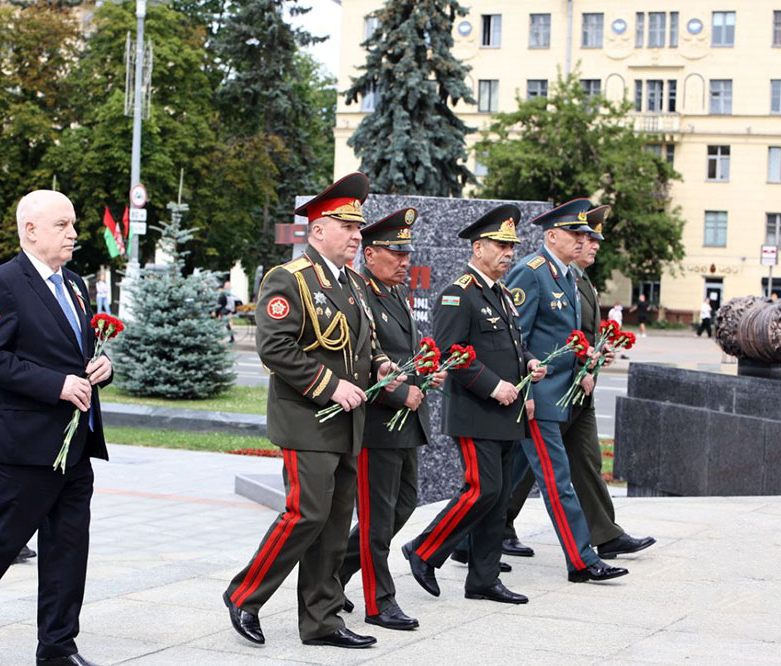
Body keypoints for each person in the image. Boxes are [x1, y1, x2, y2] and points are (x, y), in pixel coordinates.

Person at [223, 172, 402, 649]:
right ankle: (244, 594)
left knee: (333, 521)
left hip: (347, 423)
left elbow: (366, 345)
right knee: (306, 513)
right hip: (307, 419)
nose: (356, 235)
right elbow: (275, 348)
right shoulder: (289, 278)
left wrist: (385, 368)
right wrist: (331, 386)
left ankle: (321, 620)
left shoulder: (356, 285)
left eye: (358, 227)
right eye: (346, 226)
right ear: (318, 230)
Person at [0, 190, 113, 666]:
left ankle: (58, 648)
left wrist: (102, 367)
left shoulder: (77, 284)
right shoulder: (3, 282)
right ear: (30, 230)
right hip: (22, 447)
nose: (74, 233)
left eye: (74, 224)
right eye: (63, 225)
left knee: (67, 549)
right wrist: (56, 385)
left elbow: (76, 351)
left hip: (75, 445)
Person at [401, 204, 544, 605]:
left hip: (507, 412)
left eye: (511, 247)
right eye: (500, 245)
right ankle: (424, 550)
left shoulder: (500, 293)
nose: (508, 253)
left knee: (497, 501)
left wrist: (530, 361)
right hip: (476, 411)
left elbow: (512, 344)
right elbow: (451, 351)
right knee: (484, 489)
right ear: (478, 247)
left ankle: (484, 579)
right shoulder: (457, 293)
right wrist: (493, 385)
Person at [502, 208, 655, 563]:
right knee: (532, 475)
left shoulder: (572, 278)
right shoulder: (533, 272)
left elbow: (572, 336)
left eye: (587, 236)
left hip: (571, 389)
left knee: (576, 464)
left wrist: (591, 359)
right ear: (552, 236)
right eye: (578, 235)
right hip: (543, 393)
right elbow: (515, 336)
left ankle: (603, 536)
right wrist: (523, 390)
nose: (586, 242)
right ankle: (581, 557)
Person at [338, 207, 445, 630]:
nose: (405, 262)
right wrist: (401, 392)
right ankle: (379, 603)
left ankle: (333, 571)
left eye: (407, 254)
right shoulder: (360, 294)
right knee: (377, 518)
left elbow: (399, 358)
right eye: (395, 254)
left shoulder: (395, 293)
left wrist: (424, 376)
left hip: (406, 423)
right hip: (378, 423)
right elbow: (361, 361)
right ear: (369, 255)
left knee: (403, 506)